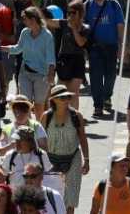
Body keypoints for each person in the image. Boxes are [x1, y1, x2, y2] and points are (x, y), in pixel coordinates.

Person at [41, 85, 89, 214]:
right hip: (51, 160)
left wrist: (87, 159)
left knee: (70, 198)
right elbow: (40, 140)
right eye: (62, 97)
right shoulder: (46, 116)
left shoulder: (76, 115)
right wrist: (40, 161)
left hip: (73, 159)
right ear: (54, 100)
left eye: (68, 96)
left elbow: (83, 138)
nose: (66, 99)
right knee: (52, 197)